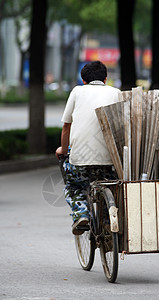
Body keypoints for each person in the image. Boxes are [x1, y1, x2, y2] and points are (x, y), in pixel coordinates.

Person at [56, 60, 121, 235]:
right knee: (113, 185)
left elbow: (66, 126)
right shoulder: (116, 93)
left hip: (81, 160)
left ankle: (81, 214)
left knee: (74, 186)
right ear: (105, 79)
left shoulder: (77, 91)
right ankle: (109, 219)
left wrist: (63, 149)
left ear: (83, 80)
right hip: (110, 160)